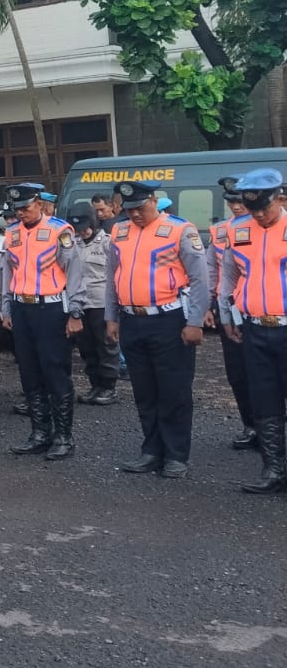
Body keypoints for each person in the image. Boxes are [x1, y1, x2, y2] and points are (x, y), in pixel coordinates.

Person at [104, 179, 208, 479]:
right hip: (132, 320)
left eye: (140, 207)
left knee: (173, 389)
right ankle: (151, 450)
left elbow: (200, 279)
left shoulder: (180, 230)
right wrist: (111, 317)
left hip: (169, 320)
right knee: (144, 390)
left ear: (153, 200)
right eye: (129, 209)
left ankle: (176, 455)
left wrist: (195, 322)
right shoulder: (119, 231)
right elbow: (113, 277)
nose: (135, 214)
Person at [0, 181, 83, 461]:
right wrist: (6, 308)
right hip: (22, 308)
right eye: (17, 208)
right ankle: (39, 433)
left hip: (51, 308)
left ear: (39, 204)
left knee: (54, 370)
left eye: (26, 207)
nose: (21, 213)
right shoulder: (12, 233)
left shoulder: (59, 230)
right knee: (29, 371)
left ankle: (63, 437)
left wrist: (75, 312)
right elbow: (8, 273)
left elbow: (74, 272)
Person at [216, 167, 287, 494]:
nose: (259, 215)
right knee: (264, 400)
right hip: (255, 330)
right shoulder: (237, 230)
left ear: (279, 198)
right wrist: (226, 316)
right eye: (252, 208)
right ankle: (273, 469)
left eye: (264, 208)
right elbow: (229, 276)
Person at [208, 179, 255, 452]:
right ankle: (250, 425)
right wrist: (208, 306)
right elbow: (212, 272)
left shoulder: (266, 227)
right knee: (237, 373)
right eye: (231, 202)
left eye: (240, 201)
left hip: (262, 308)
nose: (236, 207)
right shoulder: (219, 232)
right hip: (230, 308)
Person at [68, 206, 119, 407]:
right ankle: (95, 384)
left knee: (106, 344)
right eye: (78, 228)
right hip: (80, 303)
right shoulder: (72, 244)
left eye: (85, 227)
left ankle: (108, 386)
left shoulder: (107, 243)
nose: (82, 232)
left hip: (101, 302)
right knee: (86, 346)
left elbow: (117, 272)